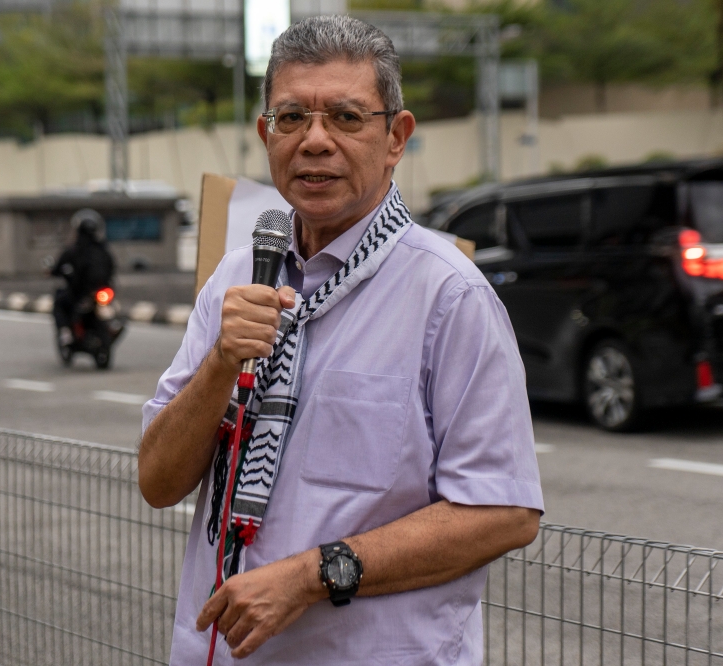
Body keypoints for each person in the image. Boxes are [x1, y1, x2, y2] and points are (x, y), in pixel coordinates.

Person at [139, 16, 543, 665]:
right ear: (265, 134)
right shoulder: (236, 279)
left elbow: (503, 512)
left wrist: (311, 577)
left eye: (347, 118)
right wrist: (222, 363)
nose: (315, 141)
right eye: (292, 117)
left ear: (396, 137)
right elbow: (158, 481)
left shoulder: (448, 296)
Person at [51, 208, 115, 346]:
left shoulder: (73, 250)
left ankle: (65, 332)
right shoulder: (103, 249)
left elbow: (58, 268)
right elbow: (112, 268)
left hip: (81, 293)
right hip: (103, 291)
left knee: (59, 302)